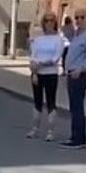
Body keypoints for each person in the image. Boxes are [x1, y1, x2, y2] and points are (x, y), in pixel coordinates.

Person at [60, 8, 86, 149]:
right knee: (74, 107)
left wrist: (80, 69)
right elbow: (65, 31)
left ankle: (79, 139)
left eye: (82, 17)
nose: (79, 20)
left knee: (77, 107)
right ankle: (75, 136)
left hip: (80, 75)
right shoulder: (76, 35)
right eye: (76, 17)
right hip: (71, 74)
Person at [26, 13, 65, 142]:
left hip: (51, 74)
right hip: (37, 73)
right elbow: (33, 55)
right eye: (46, 21)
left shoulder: (58, 39)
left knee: (50, 101)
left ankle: (50, 131)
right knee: (37, 101)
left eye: (51, 21)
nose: (49, 23)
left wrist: (41, 63)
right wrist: (34, 69)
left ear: (55, 22)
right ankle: (35, 129)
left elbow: (56, 57)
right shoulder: (38, 39)